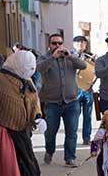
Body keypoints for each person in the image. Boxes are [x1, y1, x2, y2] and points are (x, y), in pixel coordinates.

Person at [37, 33, 87, 167]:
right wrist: (53, 57)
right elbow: (40, 69)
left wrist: (70, 56)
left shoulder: (69, 56)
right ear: (49, 45)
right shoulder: (44, 58)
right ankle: (49, 150)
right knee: (50, 131)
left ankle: (69, 157)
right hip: (52, 102)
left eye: (60, 43)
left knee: (72, 131)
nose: (57, 46)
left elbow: (83, 66)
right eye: (54, 43)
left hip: (71, 101)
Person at [73, 36, 97, 146]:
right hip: (75, 89)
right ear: (74, 44)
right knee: (74, 114)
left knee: (87, 115)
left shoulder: (90, 56)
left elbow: (96, 71)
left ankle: (86, 137)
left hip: (88, 90)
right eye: (78, 43)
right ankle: (73, 135)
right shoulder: (70, 56)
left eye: (82, 43)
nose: (80, 46)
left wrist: (93, 81)